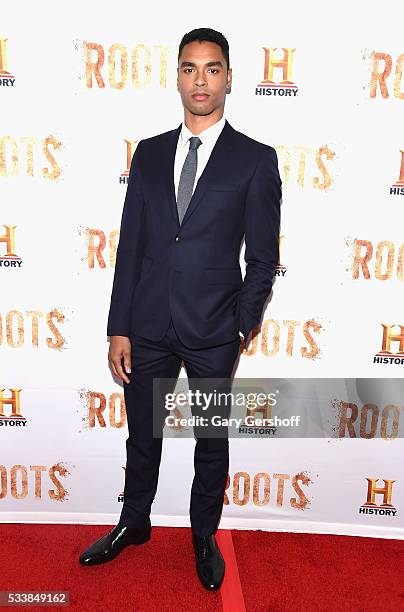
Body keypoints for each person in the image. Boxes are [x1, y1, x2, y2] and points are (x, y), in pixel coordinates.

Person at [79, 27, 282, 591]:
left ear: (229, 79)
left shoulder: (255, 160)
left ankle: (202, 536)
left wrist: (239, 325)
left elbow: (263, 261)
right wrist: (120, 327)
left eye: (212, 69)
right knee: (141, 436)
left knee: (210, 441)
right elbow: (132, 248)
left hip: (215, 329)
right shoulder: (147, 154)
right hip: (147, 326)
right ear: (176, 77)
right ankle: (133, 522)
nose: (201, 80)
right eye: (190, 69)